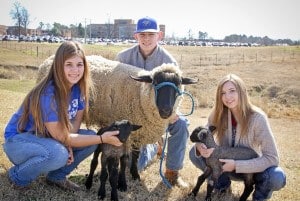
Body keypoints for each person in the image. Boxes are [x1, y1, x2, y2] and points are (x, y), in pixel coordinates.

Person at [3, 41, 122, 191]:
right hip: (19, 142)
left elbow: (75, 123)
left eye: (79, 64)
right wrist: (102, 138)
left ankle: (56, 177)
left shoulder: (79, 89)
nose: (75, 70)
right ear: (59, 65)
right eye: (69, 64)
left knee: (90, 140)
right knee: (59, 153)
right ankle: (17, 176)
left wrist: (69, 143)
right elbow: (61, 135)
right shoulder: (48, 93)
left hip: (45, 137)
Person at [189, 73, 286, 201]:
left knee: (277, 176)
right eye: (223, 93)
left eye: (232, 91)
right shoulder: (218, 112)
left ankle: (258, 199)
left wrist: (237, 165)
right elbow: (204, 132)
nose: (227, 97)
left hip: (249, 168)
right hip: (223, 165)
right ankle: (222, 186)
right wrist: (200, 146)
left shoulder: (258, 118)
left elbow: (272, 158)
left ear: (242, 91)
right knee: (194, 154)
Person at [116, 16, 189, 188]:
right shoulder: (123, 57)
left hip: (161, 111)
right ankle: (152, 147)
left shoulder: (170, 62)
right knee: (135, 166)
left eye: (151, 34)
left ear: (159, 35)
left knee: (182, 124)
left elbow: (177, 91)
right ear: (136, 36)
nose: (146, 39)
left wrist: (172, 113)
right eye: (142, 35)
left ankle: (173, 172)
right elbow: (117, 87)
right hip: (133, 113)